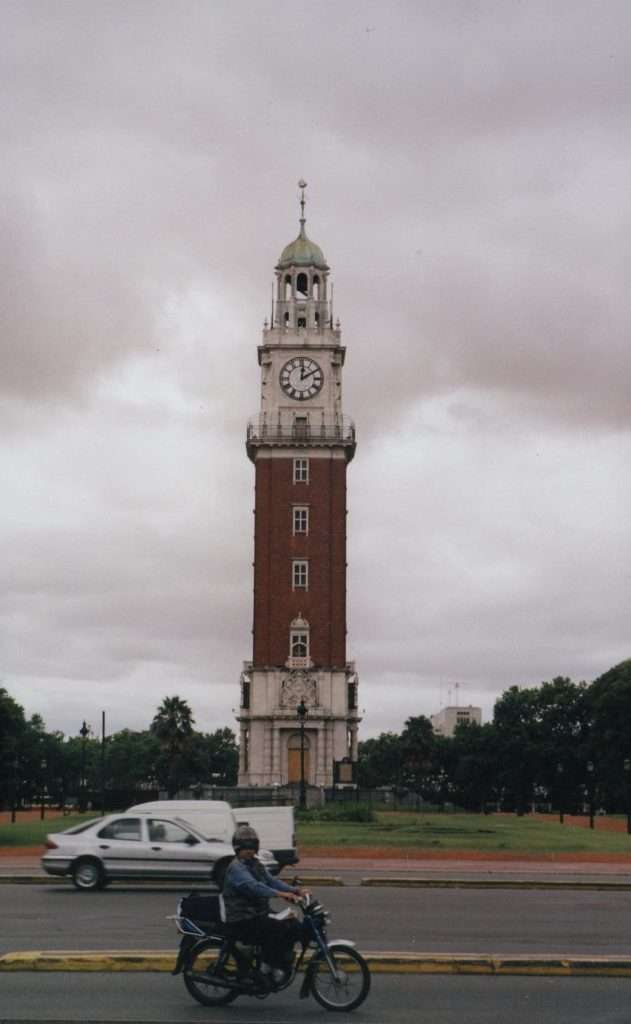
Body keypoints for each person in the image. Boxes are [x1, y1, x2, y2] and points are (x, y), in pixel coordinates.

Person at [222, 824, 306, 984]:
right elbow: (254, 887)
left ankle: (280, 963)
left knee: (293, 925)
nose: (250, 851)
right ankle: (265, 969)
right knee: (276, 929)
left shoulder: (255, 864)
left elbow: (270, 881)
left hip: (258, 913)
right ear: (237, 848)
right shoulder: (236, 868)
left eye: (253, 847)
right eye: (246, 847)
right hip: (242, 918)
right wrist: (280, 894)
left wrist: (295, 891)